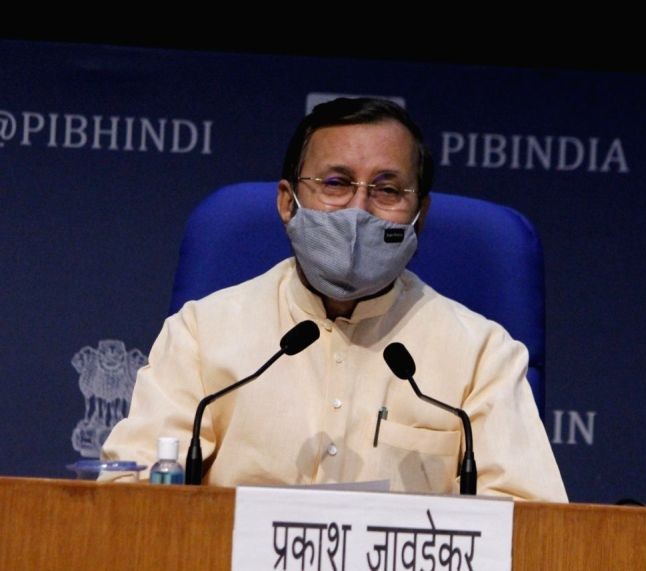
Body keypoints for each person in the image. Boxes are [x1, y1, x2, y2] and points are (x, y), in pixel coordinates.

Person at [102, 97, 567, 501]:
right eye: (335, 183)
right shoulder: (203, 333)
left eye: (387, 190)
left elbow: (527, 524)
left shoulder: (481, 354)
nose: (358, 211)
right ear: (288, 202)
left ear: (419, 217)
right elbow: (134, 495)